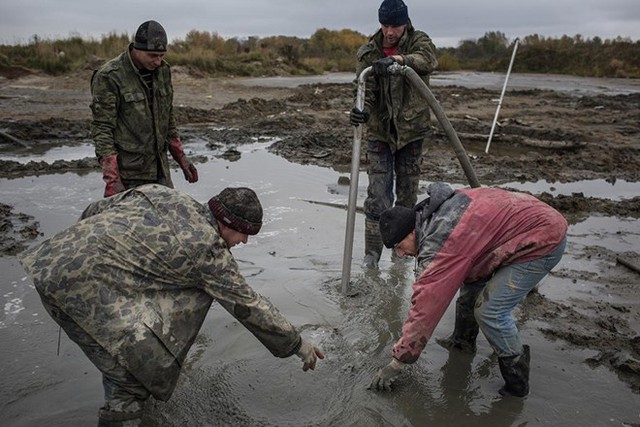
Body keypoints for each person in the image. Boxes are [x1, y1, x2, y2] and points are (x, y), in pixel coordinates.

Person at [18, 184, 324, 426]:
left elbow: (95, 210)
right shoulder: (208, 251)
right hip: (76, 290)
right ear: (226, 222)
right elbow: (249, 306)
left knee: (123, 348)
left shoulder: (162, 194)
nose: (244, 241)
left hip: (50, 260)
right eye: (244, 233)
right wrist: (297, 344)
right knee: (129, 378)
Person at [369, 182, 568, 397]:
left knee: (491, 311)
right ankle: (462, 342)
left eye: (399, 247)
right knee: (472, 281)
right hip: (520, 224)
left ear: (410, 233)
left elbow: (426, 307)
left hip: (541, 239)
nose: (401, 254)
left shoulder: (441, 240)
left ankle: (517, 384)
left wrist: (398, 362)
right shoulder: (431, 217)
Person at [349, 0, 438, 268]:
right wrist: (360, 110)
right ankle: (371, 255)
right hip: (380, 134)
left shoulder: (418, 41)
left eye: (395, 26)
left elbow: (429, 60)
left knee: (407, 195)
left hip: (412, 132)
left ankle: (403, 253)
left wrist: (398, 60)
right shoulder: (369, 52)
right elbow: (363, 89)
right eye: (385, 25)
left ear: (405, 23)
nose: (389, 31)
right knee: (378, 196)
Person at [90, 20, 198, 198]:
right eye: (152, 55)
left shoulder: (163, 71)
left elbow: (167, 116)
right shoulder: (109, 76)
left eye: (162, 55)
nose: (158, 61)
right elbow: (102, 128)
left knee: (166, 221)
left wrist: (182, 158)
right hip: (129, 174)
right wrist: (112, 179)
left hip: (160, 170)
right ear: (136, 49)